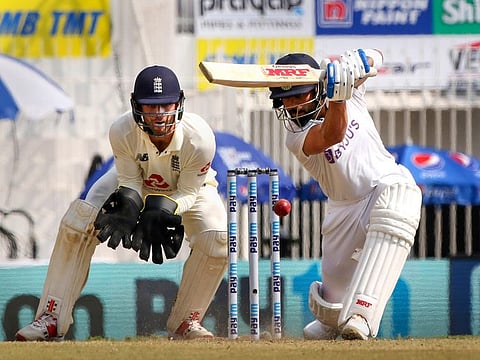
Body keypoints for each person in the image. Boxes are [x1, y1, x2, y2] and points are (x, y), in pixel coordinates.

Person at [16, 65, 228, 341]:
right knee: (79, 220)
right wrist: (130, 203)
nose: (160, 114)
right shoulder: (121, 130)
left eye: (166, 105)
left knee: (219, 240)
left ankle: (187, 321)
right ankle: (51, 318)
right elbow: (129, 179)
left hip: (187, 189)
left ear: (179, 103)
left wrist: (166, 207)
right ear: (136, 106)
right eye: (151, 107)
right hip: (136, 179)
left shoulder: (199, 138)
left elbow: (189, 191)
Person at [268, 50, 422, 340]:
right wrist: (339, 95)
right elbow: (332, 135)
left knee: (401, 197)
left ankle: (363, 314)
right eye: (284, 99)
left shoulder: (349, 92)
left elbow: (379, 57)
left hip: (384, 184)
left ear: (315, 88)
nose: (291, 106)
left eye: (297, 96)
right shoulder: (295, 137)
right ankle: (333, 321)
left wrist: (357, 64)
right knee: (334, 300)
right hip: (343, 209)